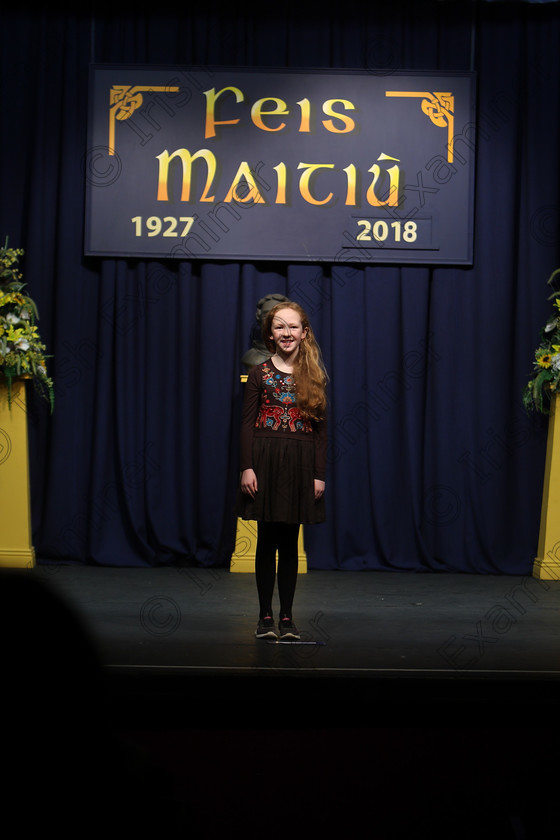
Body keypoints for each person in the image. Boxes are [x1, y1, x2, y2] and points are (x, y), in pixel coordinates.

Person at [237, 300, 328, 640]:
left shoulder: (314, 374)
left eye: (293, 327)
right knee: (267, 542)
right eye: (279, 327)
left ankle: (287, 618)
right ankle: (265, 617)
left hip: (300, 463)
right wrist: (247, 467)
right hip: (266, 461)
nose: (286, 333)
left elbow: (321, 430)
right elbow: (246, 424)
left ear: (304, 333)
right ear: (270, 334)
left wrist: (319, 474)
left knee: (289, 543)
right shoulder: (260, 373)